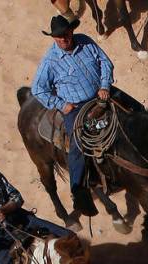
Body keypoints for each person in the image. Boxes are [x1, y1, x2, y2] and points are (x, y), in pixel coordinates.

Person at [32, 14, 113, 218]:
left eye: (65, 34)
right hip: (75, 107)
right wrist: (61, 104)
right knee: (77, 146)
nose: (63, 39)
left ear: (72, 31)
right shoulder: (50, 61)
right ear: (53, 38)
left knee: (135, 109)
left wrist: (104, 85)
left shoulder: (85, 41)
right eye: (58, 37)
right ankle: (79, 192)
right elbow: (38, 89)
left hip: (100, 94)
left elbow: (105, 61)